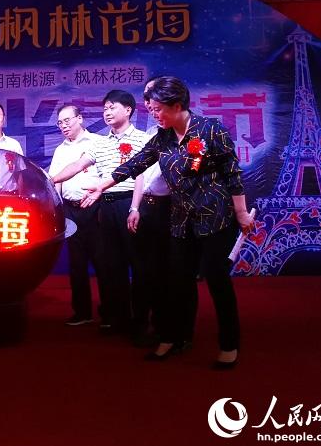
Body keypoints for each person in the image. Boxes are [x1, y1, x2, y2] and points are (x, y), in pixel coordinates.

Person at [81, 76, 254, 369]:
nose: (154, 115)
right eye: (151, 110)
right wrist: (102, 185)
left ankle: (229, 343)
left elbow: (232, 174)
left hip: (216, 216)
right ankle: (173, 337)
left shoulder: (211, 129)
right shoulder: (162, 138)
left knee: (217, 280)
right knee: (177, 281)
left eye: (158, 109)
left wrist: (241, 213)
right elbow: (135, 164)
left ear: (176, 106)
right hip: (181, 218)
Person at [51, 90, 149, 336]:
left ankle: (141, 322)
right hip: (105, 206)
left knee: (139, 265)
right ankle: (119, 319)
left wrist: (135, 207)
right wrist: (51, 180)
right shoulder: (100, 143)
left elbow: (142, 176)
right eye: (105, 108)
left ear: (128, 110)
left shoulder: (143, 139)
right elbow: (77, 166)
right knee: (113, 265)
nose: (107, 112)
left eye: (112, 107)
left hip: (130, 203)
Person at [126, 78, 173, 346]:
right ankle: (140, 323)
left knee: (164, 272)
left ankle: (166, 328)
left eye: (154, 99)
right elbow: (140, 174)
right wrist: (135, 207)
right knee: (142, 271)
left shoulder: (187, 136)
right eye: (147, 99)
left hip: (171, 210)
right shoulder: (153, 137)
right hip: (146, 208)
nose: (150, 105)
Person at [48, 104, 103, 326]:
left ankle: (109, 313)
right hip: (70, 210)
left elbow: (109, 175)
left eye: (67, 120)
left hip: (95, 207)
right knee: (76, 264)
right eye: (60, 122)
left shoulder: (98, 142)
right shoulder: (60, 150)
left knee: (103, 262)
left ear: (80, 118)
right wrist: (57, 208)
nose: (64, 125)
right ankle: (82, 312)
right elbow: (55, 181)